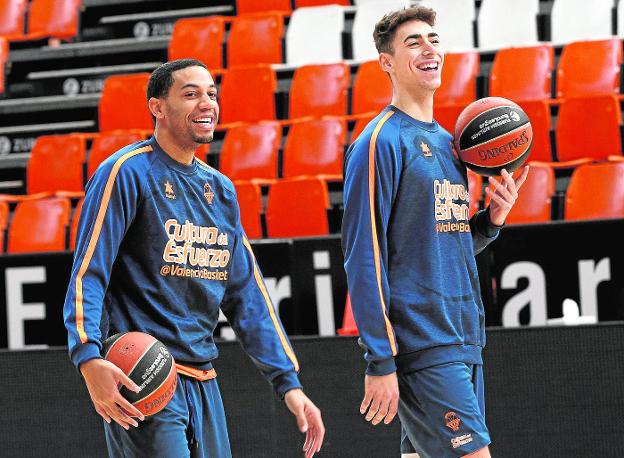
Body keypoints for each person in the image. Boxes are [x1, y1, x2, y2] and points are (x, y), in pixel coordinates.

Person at [63, 59, 324, 458]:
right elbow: (89, 272)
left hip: (204, 379)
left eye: (212, 94)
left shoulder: (220, 190)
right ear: (158, 107)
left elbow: (247, 295)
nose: (207, 103)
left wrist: (288, 382)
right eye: (191, 94)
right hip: (143, 376)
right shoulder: (125, 172)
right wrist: (88, 357)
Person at [342, 6, 529, 458]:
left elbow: (444, 243)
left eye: (434, 39)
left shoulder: (451, 143)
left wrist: (490, 222)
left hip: (463, 336)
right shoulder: (378, 142)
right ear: (386, 61)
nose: (430, 48)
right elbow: (363, 257)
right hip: (424, 342)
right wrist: (380, 360)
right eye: (414, 42)